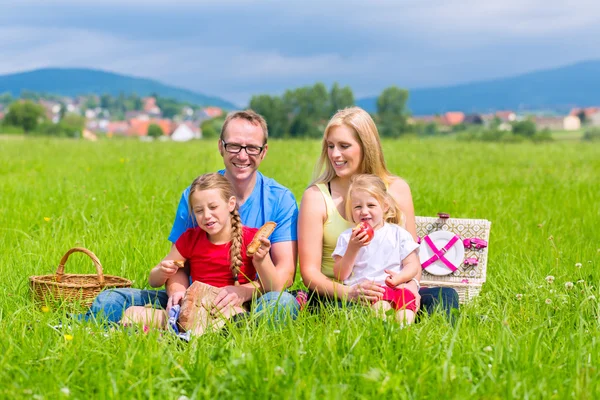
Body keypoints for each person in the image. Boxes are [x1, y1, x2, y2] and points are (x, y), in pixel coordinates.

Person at [85, 110, 299, 324]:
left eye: (252, 147)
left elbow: (285, 276)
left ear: (264, 152)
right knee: (109, 300)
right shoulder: (195, 195)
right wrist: (178, 292)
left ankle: (227, 329)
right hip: (193, 298)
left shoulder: (280, 200)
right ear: (220, 147)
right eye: (234, 145)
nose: (242, 156)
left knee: (281, 305)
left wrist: (242, 292)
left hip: (252, 301)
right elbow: (178, 264)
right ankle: (186, 326)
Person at [298, 106, 459, 318]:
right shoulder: (316, 196)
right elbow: (309, 273)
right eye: (330, 146)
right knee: (341, 309)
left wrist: (411, 285)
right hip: (339, 293)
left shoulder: (397, 189)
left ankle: (409, 327)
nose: (335, 154)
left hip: (391, 289)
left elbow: (412, 259)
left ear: (366, 147)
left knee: (446, 295)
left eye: (344, 146)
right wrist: (351, 293)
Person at [122, 173, 280, 334]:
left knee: (236, 317)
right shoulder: (190, 239)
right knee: (132, 312)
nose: (206, 215)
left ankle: (181, 336)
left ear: (230, 204)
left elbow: (274, 287)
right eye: (199, 210)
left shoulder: (250, 238)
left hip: (225, 310)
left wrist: (262, 260)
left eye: (213, 207)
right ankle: (183, 334)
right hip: (191, 310)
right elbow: (153, 281)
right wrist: (162, 272)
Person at [332, 174, 420, 324]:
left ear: (384, 207)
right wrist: (353, 248)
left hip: (398, 288)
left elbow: (413, 265)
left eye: (371, 205)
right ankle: (383, 333)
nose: (364, 211)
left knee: (405, 313)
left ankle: (404, 335)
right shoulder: (348, 238)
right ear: (351, 210)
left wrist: (400, 278)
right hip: (369, 293)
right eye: (358, 207)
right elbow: (340, 274)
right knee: (381, 308)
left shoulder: (398, 234)